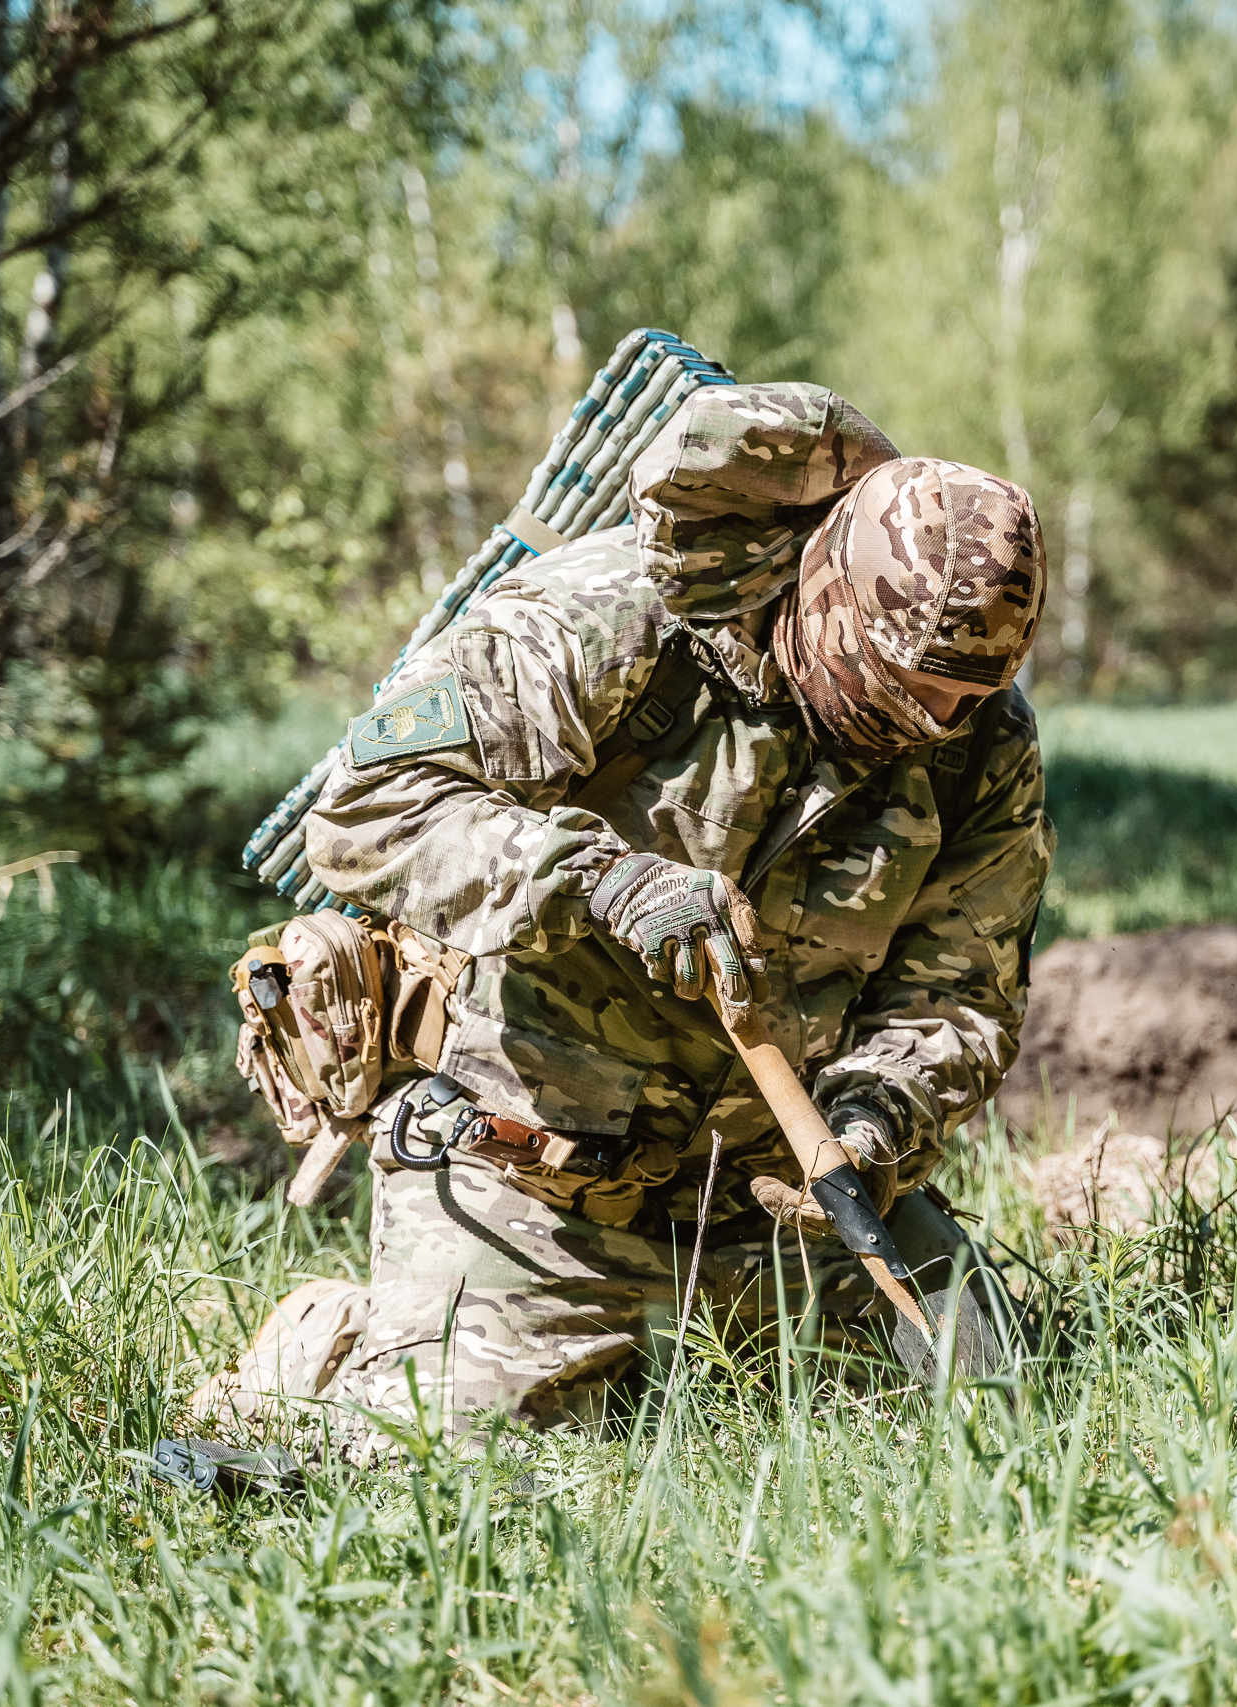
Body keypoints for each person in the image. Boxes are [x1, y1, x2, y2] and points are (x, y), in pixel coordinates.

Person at [190, 383, 1052, 1448]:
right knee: (451, 1467)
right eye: (896, 690)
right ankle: (319, 1359)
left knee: (994, 1398)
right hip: (535, 1176)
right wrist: (601, 881)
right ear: (823, 596)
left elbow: (961, 993)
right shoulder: (617, 621)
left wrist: (874, 1123)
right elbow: (367, 812)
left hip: (770, 1200)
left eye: (963, 699)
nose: (928, 728)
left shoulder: (981, 744)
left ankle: (655, 1344)